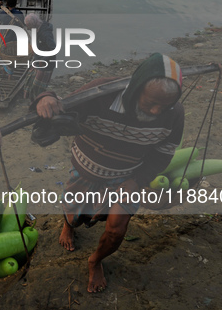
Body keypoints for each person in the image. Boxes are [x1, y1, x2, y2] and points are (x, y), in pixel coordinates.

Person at [31, 53, 184, 293]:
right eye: (150, 103)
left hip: (127, 177)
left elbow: (163, 153)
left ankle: (95, 260)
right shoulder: (100, 93)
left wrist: (137, 181)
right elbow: (60, 107)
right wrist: (46, 98)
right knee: (72, 211)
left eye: (164, 106)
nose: (156, 111)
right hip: (85, 168)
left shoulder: (174, 114)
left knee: (116, 229)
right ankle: (69, 226)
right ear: (135, 90)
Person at [23, 13, 57, 100]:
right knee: (29, 81)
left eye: (28, 26)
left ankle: (38, 100)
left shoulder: (46, 34)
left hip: (45, 63)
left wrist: (44, 60)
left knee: (37, 86)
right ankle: (32, 99)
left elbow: (53, 49)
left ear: (33, 24)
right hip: (37, 60)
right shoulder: (37, 29)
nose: (28, 28)